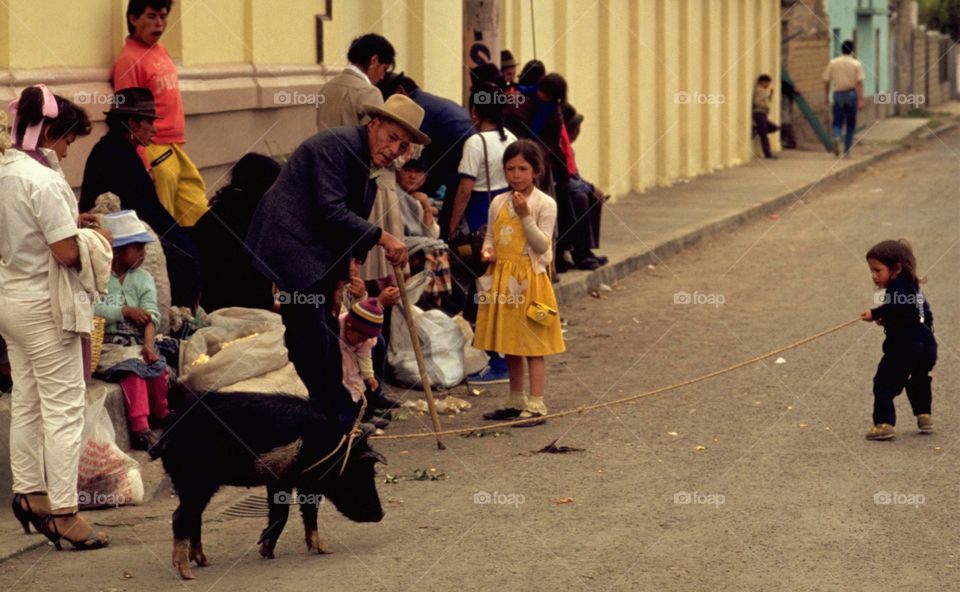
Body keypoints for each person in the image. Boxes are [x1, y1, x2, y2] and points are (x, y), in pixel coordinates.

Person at [246, 94, 426, 432]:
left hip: (315, 249)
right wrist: (384, 237)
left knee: (325, 332)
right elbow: (332, 211)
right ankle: (330, 421)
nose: (395, 150)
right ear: (374, 125)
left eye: (403, 146)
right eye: (391, 138)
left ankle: (337, 415)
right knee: (310, 335)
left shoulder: (368, 162)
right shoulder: (336, 147)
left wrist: (341, 278)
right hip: (291, 243)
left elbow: (349, 224)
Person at [1, 91, 111, 550]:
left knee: (28, 400)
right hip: (46, 308)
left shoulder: (6, 170)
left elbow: (28, 231)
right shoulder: (42, 181)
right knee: (65, 408)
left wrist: (71, 222)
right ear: (49, 132)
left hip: (11, 300)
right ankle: (65, 513)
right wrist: (93, 237)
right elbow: (66, 252)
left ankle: (31, 495)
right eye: (67, 140)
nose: (67, 150)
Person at [80, 87, 203, 310]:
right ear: (132, 123)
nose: (154, 130)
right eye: (149, 122)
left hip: (131, 227)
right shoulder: (117, 154)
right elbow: (147, 209)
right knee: (187, 260)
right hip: (118, 236)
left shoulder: (117, 149)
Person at [474, 140, 565, 426]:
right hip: (503, 279)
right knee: (510, 341)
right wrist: (487, 252)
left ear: (536, 170)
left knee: (533, 344)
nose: (516, 175)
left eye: (523, 169)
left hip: (531, 281)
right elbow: (491, 237)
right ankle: (516, 400)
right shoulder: (498, 202)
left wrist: (526, 216)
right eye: (510, 169)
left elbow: (542, 246)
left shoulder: (545, 204)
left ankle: (537, 404)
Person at [113, 0, 209, 227]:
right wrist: (142, 161)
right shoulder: (128, 60)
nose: (159, 24)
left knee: (198, 209)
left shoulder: (160, 50)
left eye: (163, 17)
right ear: (133, 19)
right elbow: (127, 115)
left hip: (175, 145)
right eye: (151, 16)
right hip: (153, 146)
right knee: (162, 218)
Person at [95, 211, 169, 451]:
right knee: (133, 374)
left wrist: (148, 346)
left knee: (157, 370)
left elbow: (151, 315)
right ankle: (140, 428)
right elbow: (92, 307)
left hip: (139, 343)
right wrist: (125, 311)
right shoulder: (100, 279)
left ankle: (162, 414)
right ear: (117, 251)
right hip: (110, 346)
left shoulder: (143, 279)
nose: (142, 254)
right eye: (136, 248)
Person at [860, 239, 937, 441]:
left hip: (904, 348)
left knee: (883, 383)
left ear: (896, 268)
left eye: (878, 270)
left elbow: (896, 307)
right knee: (919, 379)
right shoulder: (914, 289)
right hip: (927, 347)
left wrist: (875, 313)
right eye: (872, 271)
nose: (874, 276)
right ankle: (924, 415)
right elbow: (920, 315)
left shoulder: (897, 287)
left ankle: (884, 424)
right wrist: (890, 321)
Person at [377, 72, 475, 224]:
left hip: (458, 154)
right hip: (460, 150)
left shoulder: (417, 108)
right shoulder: (427, 100)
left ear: (399, 91)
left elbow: (415, 154)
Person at [192, 153, 280, 312]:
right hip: (237, 312)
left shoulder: (218, 212)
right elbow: (246, 288)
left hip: (210, 306)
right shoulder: (247, 222)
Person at [316, 33, 395, 130]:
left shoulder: (327, 88)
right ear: (374, 60)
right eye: (384, 69)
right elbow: (376, 140)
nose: (382, 77)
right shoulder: (369, 93)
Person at [339, 298, 392, 428]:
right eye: (360, 337)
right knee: (342, 392)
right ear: (349, 326)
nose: (361, 341)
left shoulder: (366, 340)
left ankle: (363, 416)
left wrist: (369, 376)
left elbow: (365, 356)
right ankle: (347, 422)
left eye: (365, 339)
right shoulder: (337, 326)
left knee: (358, 389)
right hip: (338, 363)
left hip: (352, 367)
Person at [822, 40, 864, 157]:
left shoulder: (833, 63)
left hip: (838, 94)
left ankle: (836, 136)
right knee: (851, 123)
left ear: (841, 49)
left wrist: (826, 97)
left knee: (837, 121)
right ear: (852, 50)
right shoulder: (856, 64)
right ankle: (847, 150)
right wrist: (860, 99)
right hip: (851, 94)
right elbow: (859, 83)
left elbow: (826, 81)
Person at [752, 74, 780, 159]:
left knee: (774, 127)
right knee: (764, 134)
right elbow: (757, 102)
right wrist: (765, 106)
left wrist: (770, 95)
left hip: (763, 113)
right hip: (759, 112)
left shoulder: (764, 91)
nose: (767, 85)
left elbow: (767, 101)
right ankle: (767, 153)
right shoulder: (759, 90)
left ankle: (757, 130)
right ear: (762, 82)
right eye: (767, 83)